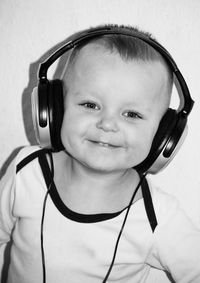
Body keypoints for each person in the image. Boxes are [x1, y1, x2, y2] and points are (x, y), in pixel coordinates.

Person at [0, 24, 199, 283]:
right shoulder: (25, 170)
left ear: (164, 135)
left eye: (132, 114)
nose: (107, 124)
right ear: (53, 109)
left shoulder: (158, 215)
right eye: (90, 105)